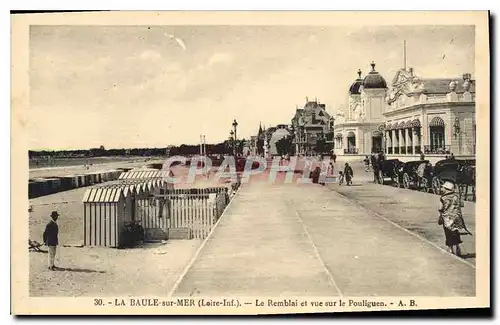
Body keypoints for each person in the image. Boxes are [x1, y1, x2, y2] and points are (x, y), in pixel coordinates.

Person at [438, 181, 472, 256]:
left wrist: (440, 216)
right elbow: (462, 204)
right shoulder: (457, 196)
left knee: (448, 232)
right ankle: (457, 245)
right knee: (455, 230)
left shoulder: (443, 197)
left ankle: (450, 248)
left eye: (443, 187)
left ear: (447, 189)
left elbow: (440, 208)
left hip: (447, 218)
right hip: (457, 217)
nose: (442, 188)